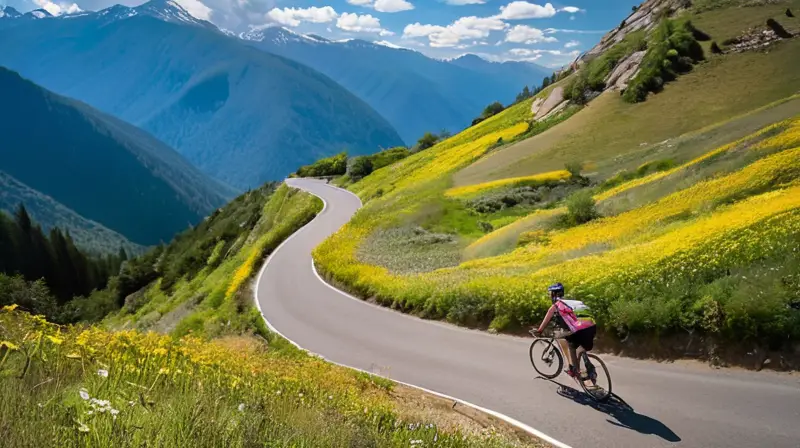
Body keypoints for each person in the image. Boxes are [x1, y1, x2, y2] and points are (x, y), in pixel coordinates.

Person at [533, 282, 597, 385]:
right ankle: (590, 368)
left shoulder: (557, 305)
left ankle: (574, 370)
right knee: (580, 346)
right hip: (592, 326)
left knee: (572, 345)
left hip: (579, 329)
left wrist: (540, 330)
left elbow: (547, 318)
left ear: (553, 294)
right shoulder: (574, 302)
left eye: (550, 294)